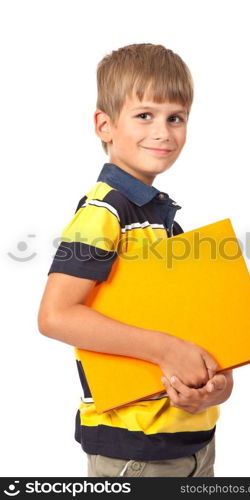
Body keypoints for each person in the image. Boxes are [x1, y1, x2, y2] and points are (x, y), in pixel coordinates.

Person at [38, 43, 233, 478]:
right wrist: (168, 351)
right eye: (144, 115)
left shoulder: (164, 220)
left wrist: (213, 386)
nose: (163, 131)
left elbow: (192, 329)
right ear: (104, 125)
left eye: (175, 117)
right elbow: (55, 315)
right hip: (135, 452)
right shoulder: (103, 212)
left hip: (194, 442)